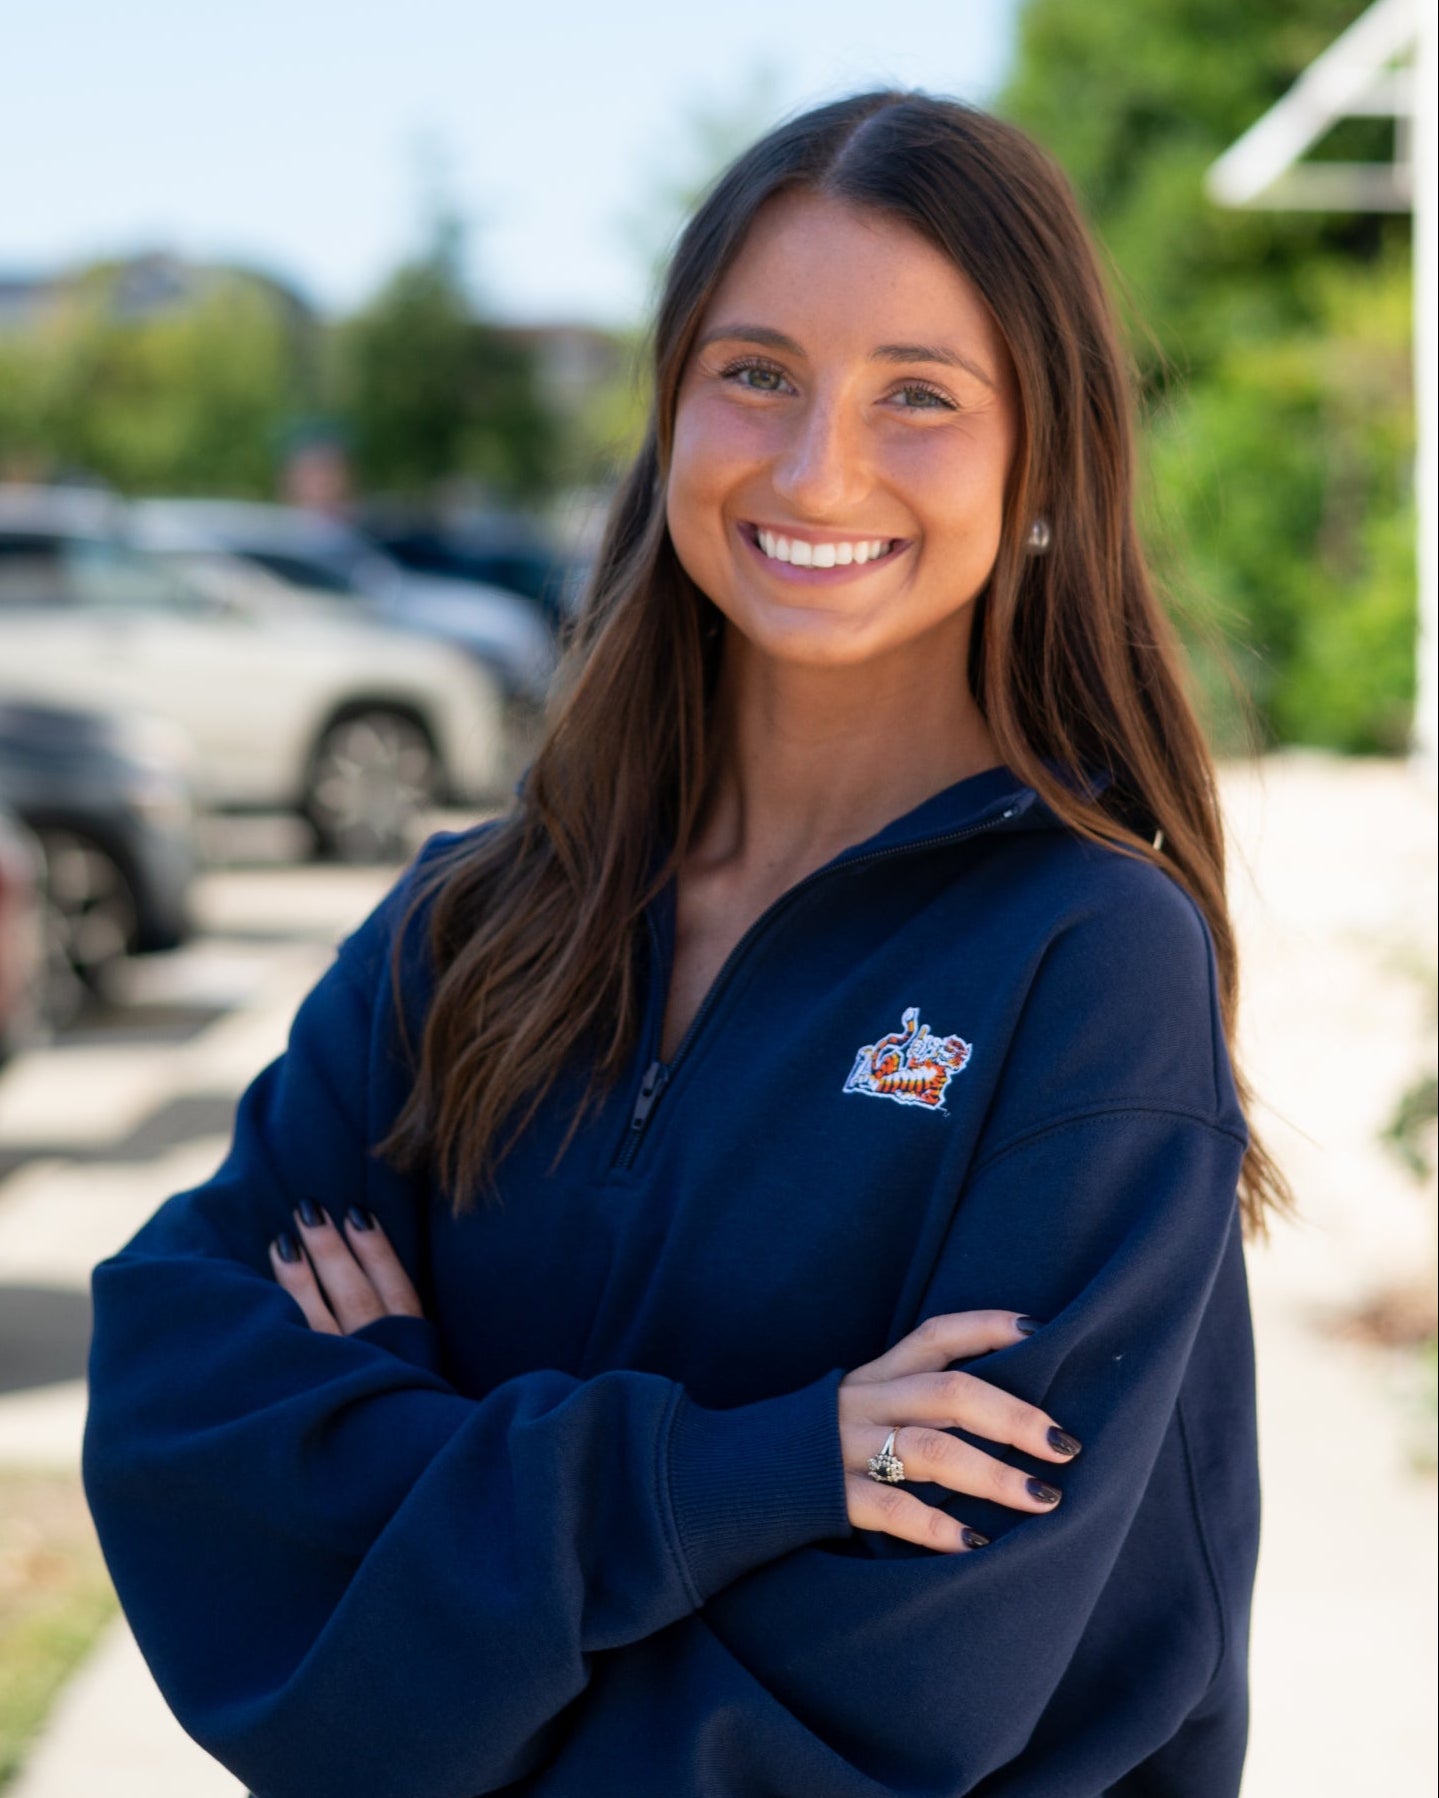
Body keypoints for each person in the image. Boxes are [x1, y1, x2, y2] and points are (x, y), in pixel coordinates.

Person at [82, 91, 1287, 1797]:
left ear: (1047, 460)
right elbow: (178, 1416)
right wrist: (735, 1481)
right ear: (670, 410)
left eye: (919, 396)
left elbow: (915, 1697)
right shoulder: (472, 924)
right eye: (759, 373)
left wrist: (408, 1488)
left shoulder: (1087, 963)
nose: (818, 468)